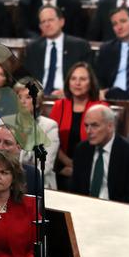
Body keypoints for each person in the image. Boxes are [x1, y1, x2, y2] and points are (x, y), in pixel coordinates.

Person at [71, 105, 129, 204]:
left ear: (110, 126)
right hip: (84, 209)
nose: (88, 131)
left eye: (94, 125)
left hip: (118, 211)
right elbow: (75, 189)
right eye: (86, 125)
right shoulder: (82, 150)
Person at [49, 62, 107, 190]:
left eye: (83, 79)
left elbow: (102, 145)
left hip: (91, 167)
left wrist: (77, 168)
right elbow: (50, 140)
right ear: (68, 82)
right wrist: (65, 164)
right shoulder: (59, 106)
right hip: (60, 166)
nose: (77, 83)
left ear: (91, 82)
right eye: (73, 78)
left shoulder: (101, 108)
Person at [23, 4, 92, 97]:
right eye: (43, 22)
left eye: (51, 20)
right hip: (39, 96)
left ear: (61, 22)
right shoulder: (33, 48)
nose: (47, 24)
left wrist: (68, 92)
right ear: (40, 27)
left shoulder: (79, 46)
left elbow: (89, 78)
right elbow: (26, 77)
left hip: (68, 96)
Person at [7, 81, 59, 190]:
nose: (22, 101)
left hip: (39, 185)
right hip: (7, 182)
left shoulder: (49, 127)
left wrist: (20, 184)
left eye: (28, 97)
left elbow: (46, 166)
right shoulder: (4, 124)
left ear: (37, 102)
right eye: (19, 97)